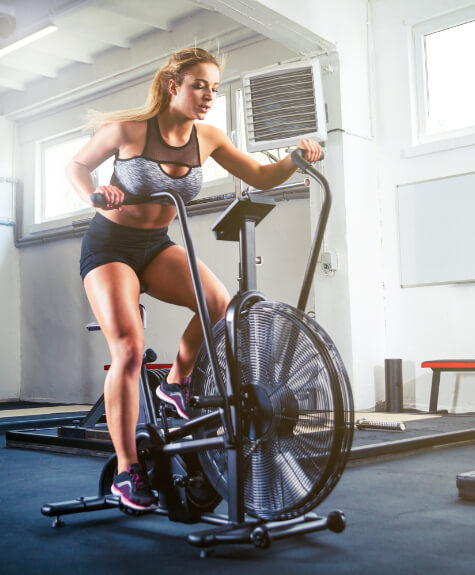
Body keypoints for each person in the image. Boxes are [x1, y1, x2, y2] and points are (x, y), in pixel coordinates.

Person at [66, 47, 322, 513]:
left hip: (157, 245)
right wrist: (95, 194)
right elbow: (76, 166)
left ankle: (176, 384)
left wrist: (294, 159)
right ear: (173, 85)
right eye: (199, 85)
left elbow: (262, 177)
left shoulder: (208, 138)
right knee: (127, 347)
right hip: (109, 246)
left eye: (214, 88)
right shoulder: (127, 131)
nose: (208, 96)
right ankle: (127, 470)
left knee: (220, 306)